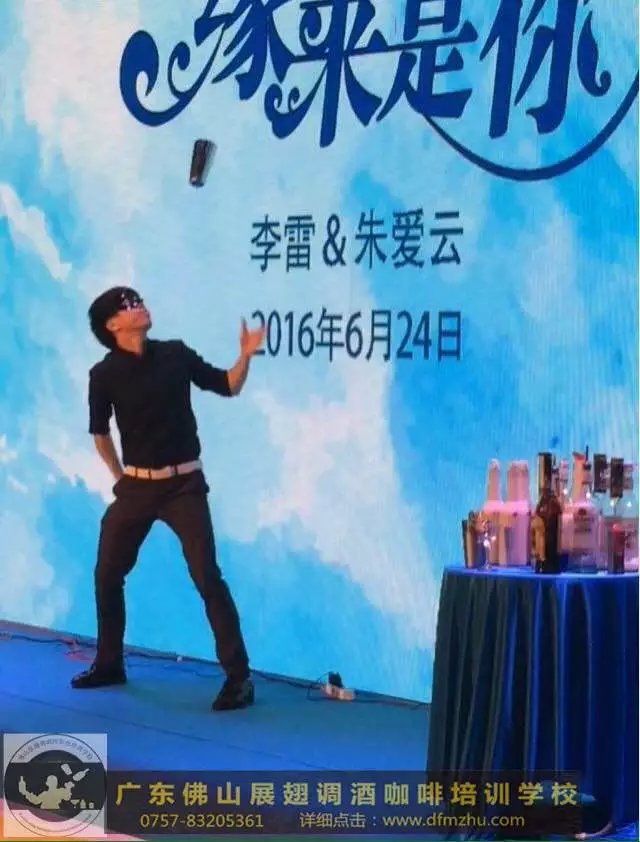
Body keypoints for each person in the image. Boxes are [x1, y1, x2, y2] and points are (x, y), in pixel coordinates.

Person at [71, 287, 264, 711]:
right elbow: (100, 434)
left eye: (138, 300)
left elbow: (227, 385)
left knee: (206, 575)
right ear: (112, 325)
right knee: (107, 574)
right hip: (137, 486)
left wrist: (245, 356)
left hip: (184, 486)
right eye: (127, 305)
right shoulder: (103, 375)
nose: (138, 306)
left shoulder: (175, 354)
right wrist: (121, 478)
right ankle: (109, 663)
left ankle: (239, 677)